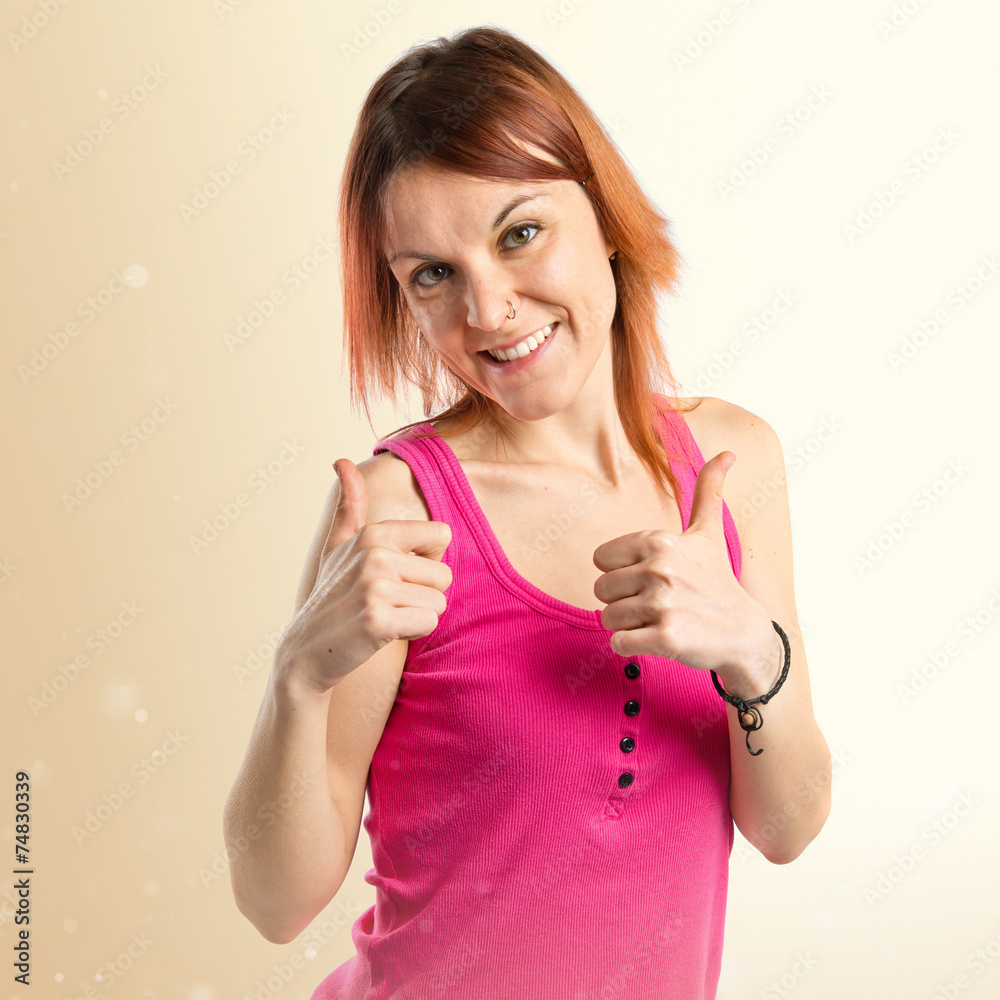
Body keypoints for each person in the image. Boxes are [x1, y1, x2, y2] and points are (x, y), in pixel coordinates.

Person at [223, 25, 831, 999]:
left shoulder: (732, 463)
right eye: (433, 273)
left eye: (519, 233)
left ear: (604, 213)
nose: (491, 310)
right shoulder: (396, 512)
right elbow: (275, 900)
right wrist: (296, 678)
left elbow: (786, 828)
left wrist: (752, 654)